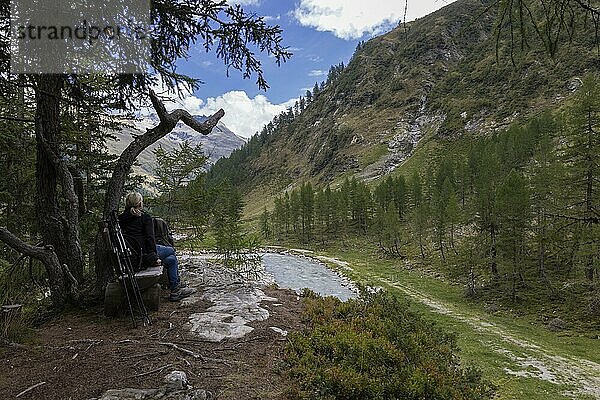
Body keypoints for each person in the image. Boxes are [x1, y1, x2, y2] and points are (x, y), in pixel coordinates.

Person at [118, 192, 194, 302]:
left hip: (130, 259)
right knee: (171, 250)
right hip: (144, 257)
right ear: (139, 204)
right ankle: (175, 289)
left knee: (171, 260)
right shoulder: (144, 218)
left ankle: (176, 288)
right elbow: (150, 239)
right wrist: (154, 258)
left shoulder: (119, 219)